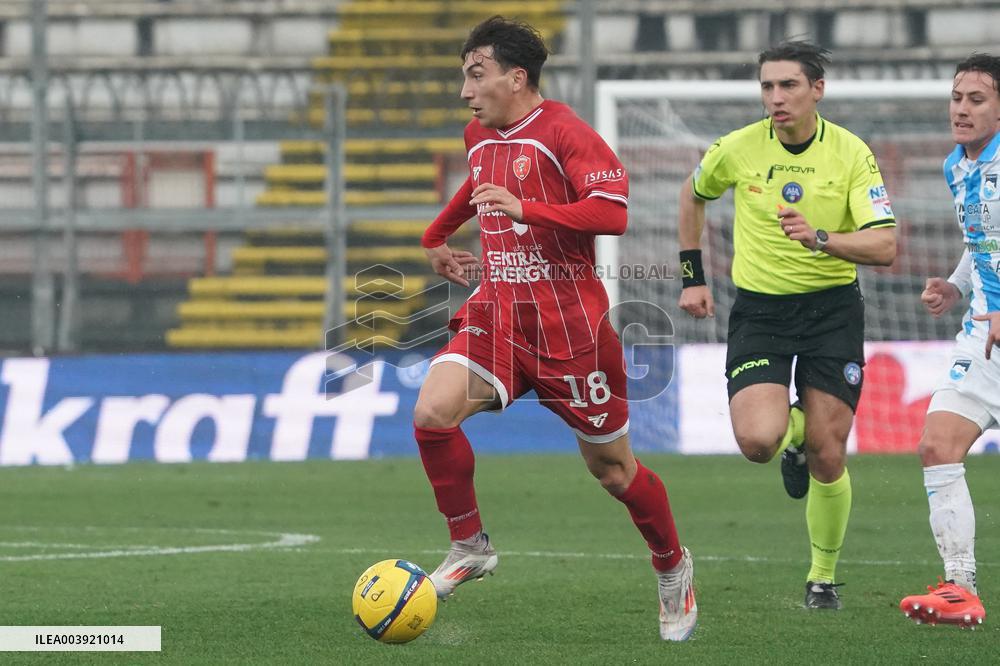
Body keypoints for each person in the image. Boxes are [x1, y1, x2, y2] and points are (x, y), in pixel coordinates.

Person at [412, 16, 697, 641]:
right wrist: (436, 236)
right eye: (464, 77)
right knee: (432, 413)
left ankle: (672, 564)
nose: (466, 91)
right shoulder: (479, 133)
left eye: (477, 75)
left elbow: (612, 213)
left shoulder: (566, 132)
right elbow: (478, 184)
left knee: (614, 472)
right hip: (497, 315)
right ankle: (469, 545)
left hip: (571, 332)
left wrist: (528, 209)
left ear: (517, 78)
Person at [677, 41, 897, 610]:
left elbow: (885, 245)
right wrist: (692, 276)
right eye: (767, 86)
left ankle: (822, 578)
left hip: (832, 311)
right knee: (757, 442)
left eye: (788, 85)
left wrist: (821, 238)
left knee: (829, 450)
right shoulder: (736, 148)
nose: (776, 97)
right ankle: (790, 439)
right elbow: (693, 195)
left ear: (817, 90)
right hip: (762, 311)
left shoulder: (851, 153)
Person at [898, 53, 1000, 629]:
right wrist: (957, 286)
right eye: (957, 98)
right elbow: (981, 238)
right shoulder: (957, 166)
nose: (961, 109)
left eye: (976, 99)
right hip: (983, 340)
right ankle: (961, 587)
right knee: (938, 446)